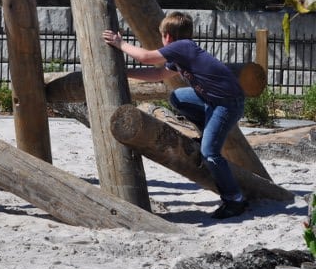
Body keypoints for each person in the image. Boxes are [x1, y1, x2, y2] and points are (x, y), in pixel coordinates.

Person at [103, 11, 248, 219]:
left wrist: (120, 43)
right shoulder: (182, 53)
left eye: (162, 37)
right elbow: (158, 74)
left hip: (227, 104)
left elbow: (146, 58)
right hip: (212, 101)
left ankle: (235, 200)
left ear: (167, 37)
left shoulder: (183, 47)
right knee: (178, 97)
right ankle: (204, 131)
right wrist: (126, 72)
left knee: (209, 153)